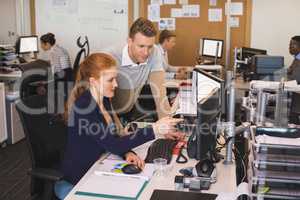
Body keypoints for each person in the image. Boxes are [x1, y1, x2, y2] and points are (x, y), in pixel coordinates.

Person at [55, 53, 183, 199]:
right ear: (93, 81)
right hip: (80, 177)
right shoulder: (84, 107)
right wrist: (154, 129)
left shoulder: (103, 99)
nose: (116, 84)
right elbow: (113, 144)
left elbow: (112, 137)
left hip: (99, 165)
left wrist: (127, 153)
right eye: (110, 80)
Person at [104, 17, 172, 120]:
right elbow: (103, 102)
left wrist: (168, 125)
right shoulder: (110, 56)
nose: (146, 53)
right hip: (108, 114)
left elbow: (161, 95)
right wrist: (118, 126)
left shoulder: (154, 52)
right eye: (141, 46)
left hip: (130, 110)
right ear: (129, 41)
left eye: (149, 47)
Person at [287, 35, 300, 124]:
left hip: (298, 104)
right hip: (296, 99)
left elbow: (294, 80)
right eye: (290, 44)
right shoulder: (296, 58)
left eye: (293, 44)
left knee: (294, 123)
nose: (290, 46)